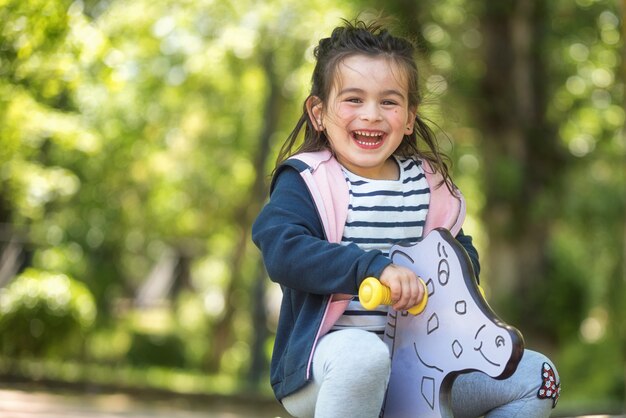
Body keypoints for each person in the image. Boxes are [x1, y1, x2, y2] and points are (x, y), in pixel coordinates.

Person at [252, 17, 560, 418]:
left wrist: (433, 281)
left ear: (410, 116)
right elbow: (284, 251)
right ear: (319, 112)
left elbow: (461, 261)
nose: (372, 114)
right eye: (353, 99)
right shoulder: (309, 180)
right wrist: (373, 269)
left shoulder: (428, 186)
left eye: (389, 101)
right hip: (328, 367)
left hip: (418, 366)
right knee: (364, 355)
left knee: (539, 376)